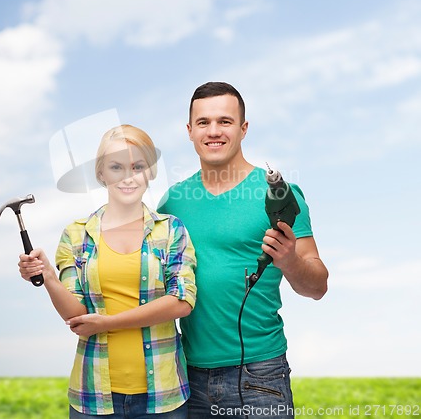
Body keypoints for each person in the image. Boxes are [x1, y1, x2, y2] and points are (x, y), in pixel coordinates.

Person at [158, 82, 328, 419]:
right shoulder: (172, 202)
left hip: (260, 375)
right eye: (204, 123)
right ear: (190, 131)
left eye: (225, 121)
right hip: (184, 376)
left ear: (243, 128)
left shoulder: (280, 195)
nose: (214, 131)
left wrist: (290, 260)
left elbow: (318, 287)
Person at [18, 125, 197, 419]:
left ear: (150, 172)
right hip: (93, 398)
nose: (128, 176)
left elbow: (182, 300)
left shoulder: (171, 230)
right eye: (116, 167)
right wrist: (48, 275)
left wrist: (108, 323)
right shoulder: (76, 235)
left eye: (138, 166)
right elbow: (74, 314)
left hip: (164, 398)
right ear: (101, 173)